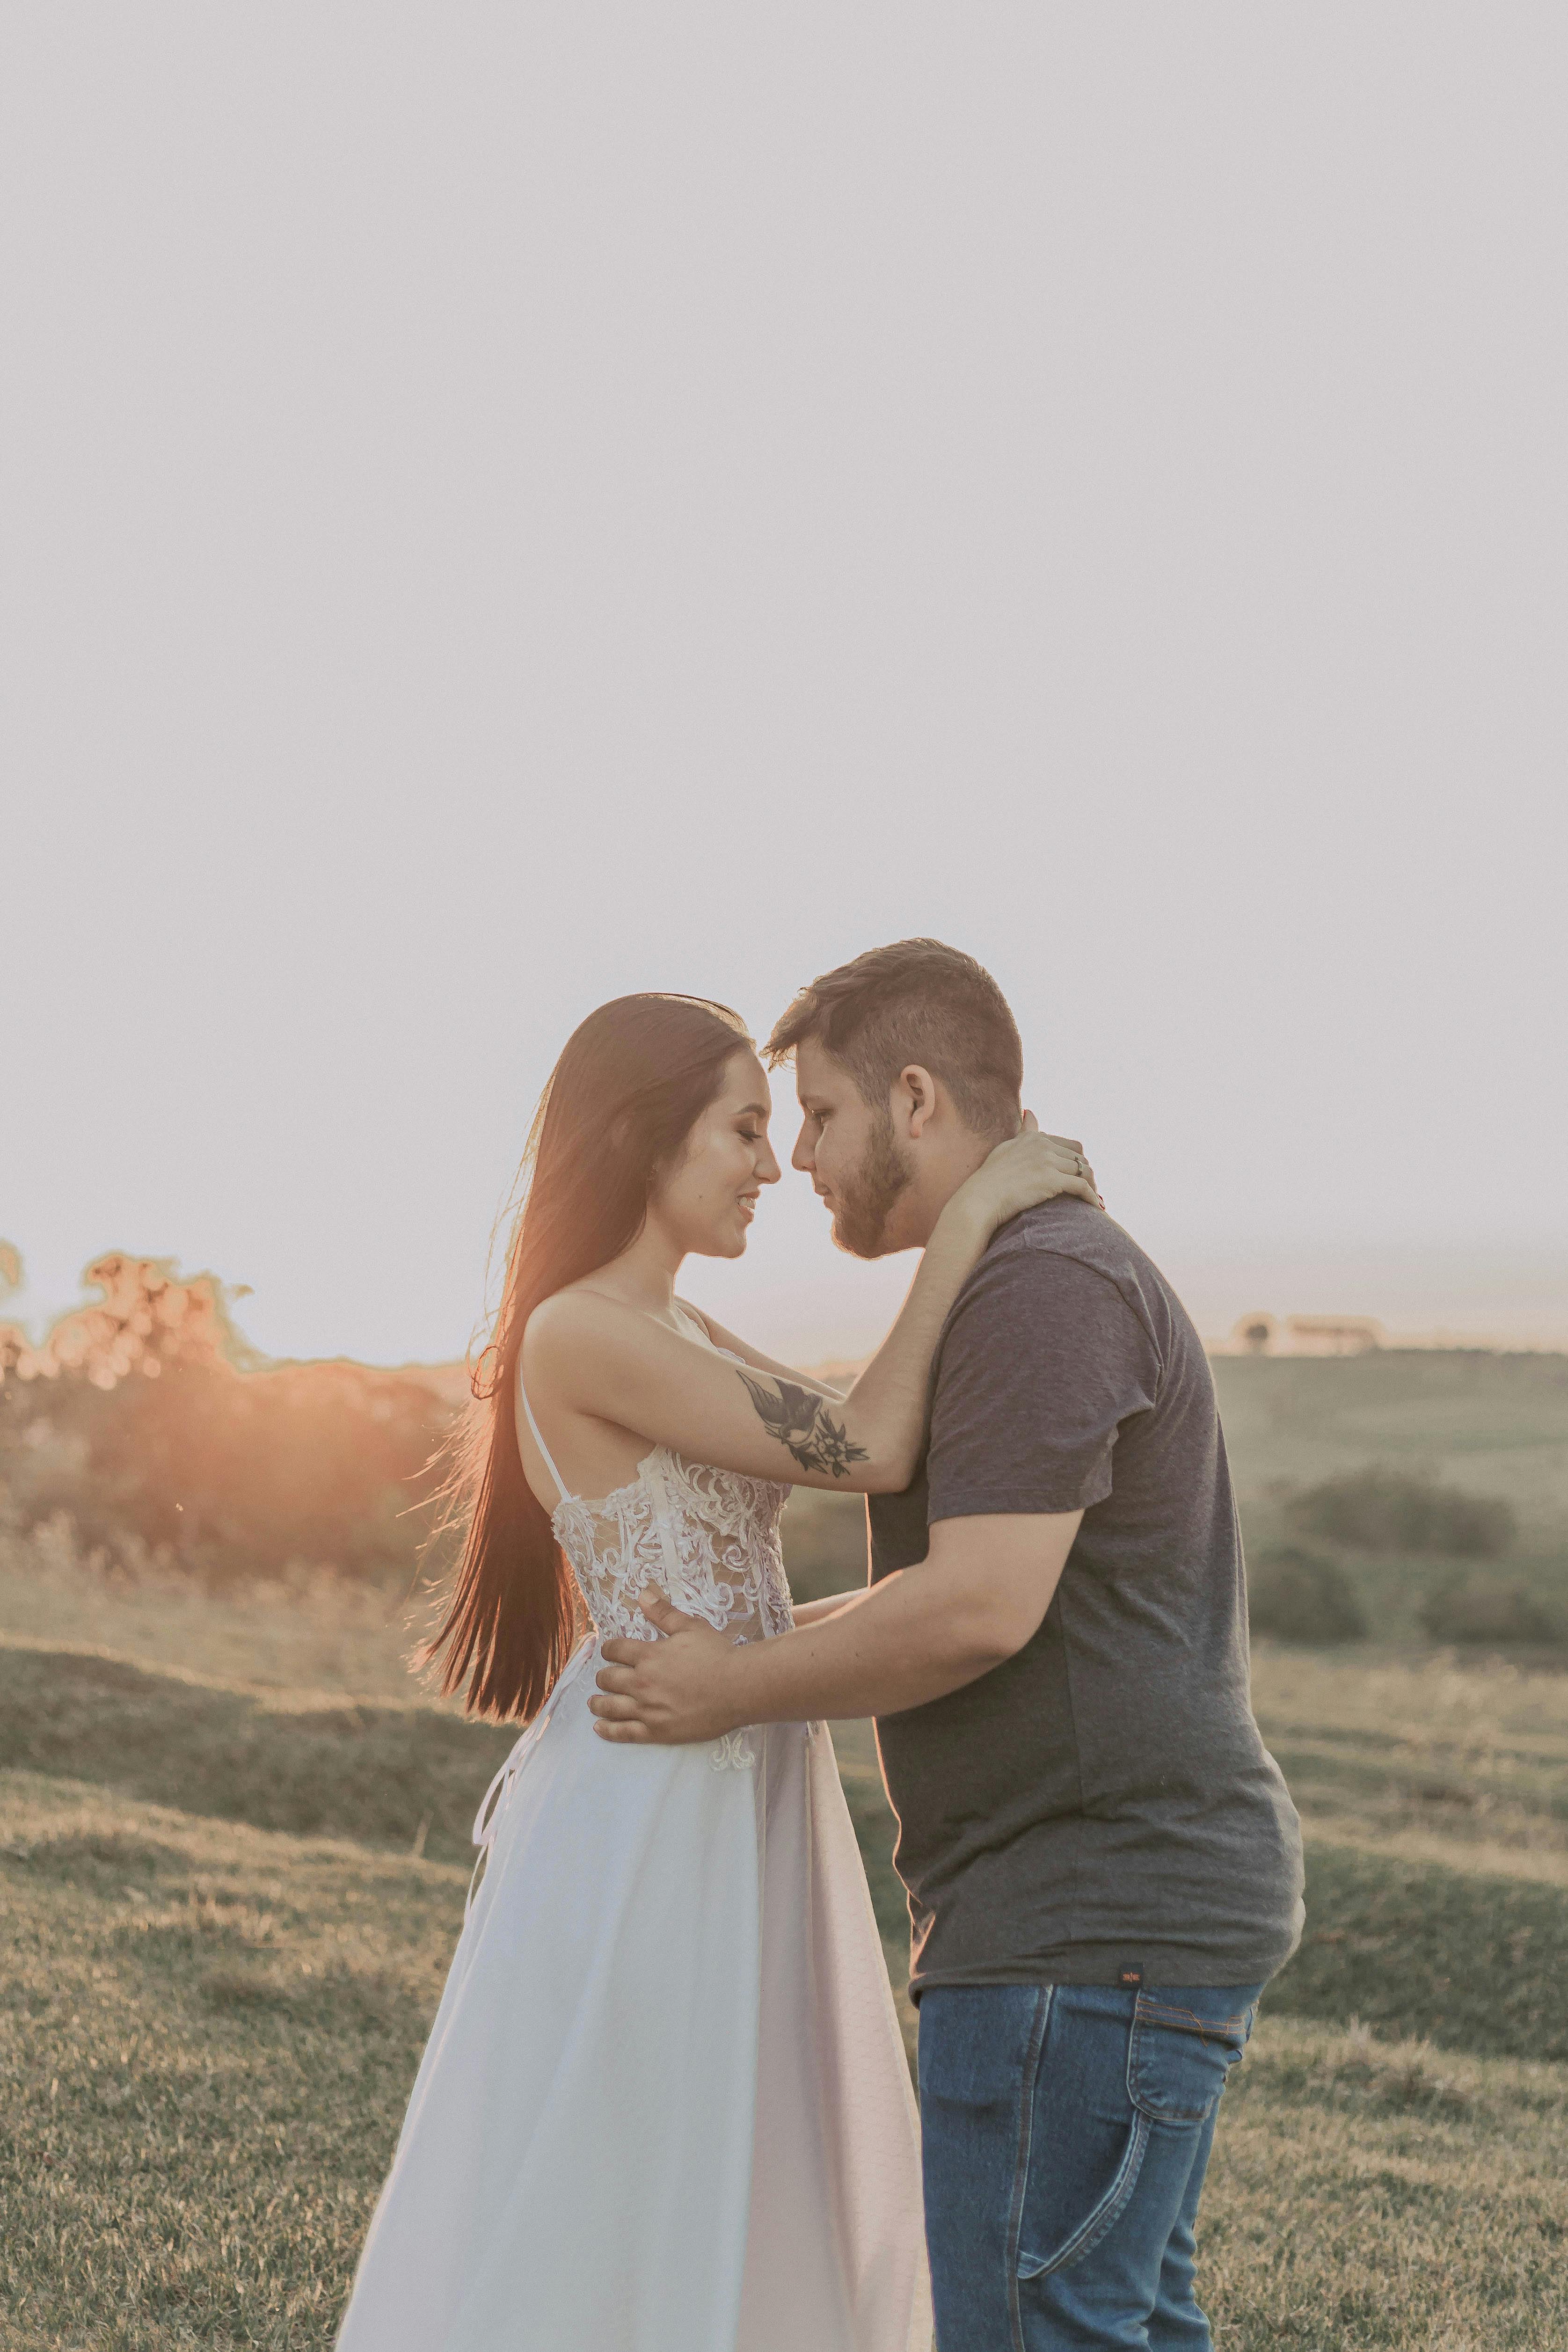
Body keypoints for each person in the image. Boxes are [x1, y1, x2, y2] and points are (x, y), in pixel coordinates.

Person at [334, 989, 1098, 2352]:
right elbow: (868, 1440)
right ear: (645, 1139)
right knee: (631, 2168)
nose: (770, 1164)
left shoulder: (675, 1327)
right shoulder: (582, 1331)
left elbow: (871, 1433)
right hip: (650, 1804)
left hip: (733, 1774)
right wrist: (976, 1213)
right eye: (744, 1128)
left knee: (742, 2154)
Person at [591, 940, 1306, 2352]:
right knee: (1126, 2327)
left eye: (818, 1114)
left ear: (914, 1099)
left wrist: (731, 1684)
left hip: (1084, 1921)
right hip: (1109, 1915)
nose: (797, 1156)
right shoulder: (1022, 1275)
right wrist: (751, 1645)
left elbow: (975, 1605)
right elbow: (941, 1574)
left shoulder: (1044, 1288)